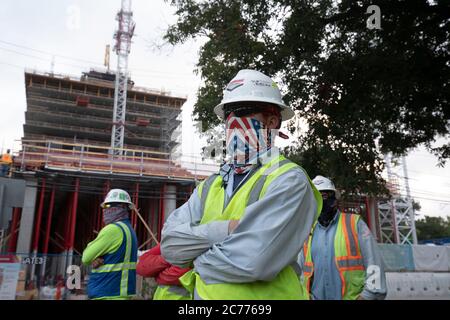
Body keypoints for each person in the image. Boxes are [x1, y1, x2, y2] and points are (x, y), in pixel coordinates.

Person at [160, 69, 322, 300]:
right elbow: (170, 246)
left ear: (272, 121)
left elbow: (253, 261)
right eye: (228, 114)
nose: (232, 121)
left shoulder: (289, 180)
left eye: (243, 111)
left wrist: (195, 259)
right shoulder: (210, 186)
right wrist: (225, 230)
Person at [298, 175, 387, 300]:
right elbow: (300, 272)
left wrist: (368, 296)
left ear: (335, 198)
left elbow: (374, 263)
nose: (321, 202)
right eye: (316, 198)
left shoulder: (354, 224)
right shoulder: (307, 231)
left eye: (325, 196)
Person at [82, 189, 138, 300]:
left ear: (122, 207)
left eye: (109, 206)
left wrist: (92, 252)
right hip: (121, 292)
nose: (106, 210)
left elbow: (86, 257)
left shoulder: (112, 229)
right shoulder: (128, 230)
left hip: (107, 292)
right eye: (105, 207)